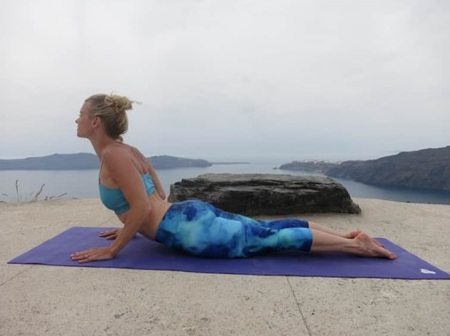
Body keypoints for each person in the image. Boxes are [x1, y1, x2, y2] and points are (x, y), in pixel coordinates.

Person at [71, 93, 396, 263]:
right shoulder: (126, 150)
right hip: (187, 215)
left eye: (81, 114)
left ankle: (356, 247)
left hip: (186, 229)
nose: (77, 119)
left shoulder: (113, 155)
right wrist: (132, 223)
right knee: (269, 228)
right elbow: (154, 189)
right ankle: (348, 237)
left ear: (96, 121)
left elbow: (142, 207)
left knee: (270, 238)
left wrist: (114, 248)